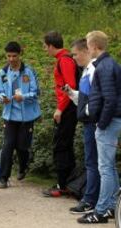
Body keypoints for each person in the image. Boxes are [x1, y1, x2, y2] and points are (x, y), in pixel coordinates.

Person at [77, 31, 121, 224]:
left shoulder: (104, 67)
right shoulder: (106, 65)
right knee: (109, 167)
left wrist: (101, 123)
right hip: (111, 120)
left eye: (88, 45)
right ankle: (113, 206)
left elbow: (110, 100)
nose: (86, 48)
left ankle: (101, 211)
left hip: (109, 122)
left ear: (95, 46)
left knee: (105, 167)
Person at [0, 41, 41, 188]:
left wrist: (24, 97)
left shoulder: (29, 71)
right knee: (8, 145)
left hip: (26, 116)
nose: (11, 59)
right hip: (9, 116)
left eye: (14, 56)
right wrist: (3, 98)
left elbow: (36, 92)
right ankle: (3, 178)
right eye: (8, 56)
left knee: (22, 146)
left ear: (20, 55)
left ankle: (23, 167)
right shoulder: (2, 72)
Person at [64, 38, 100, 214]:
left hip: (93, 123)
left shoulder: (93, 70)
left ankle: (90, 200)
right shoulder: (86, 71)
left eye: (76, 54)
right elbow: (85, 98)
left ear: (86, 51)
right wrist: (72, 94)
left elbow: (96, 99)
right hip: (89, 122)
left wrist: (87, 112)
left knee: (93, 163)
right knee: (94, 162)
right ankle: (97, 199)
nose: (74, 58)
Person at [42, 31, 78, 197]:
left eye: (45, 46)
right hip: (69, 107)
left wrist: (60, 109)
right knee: (65, 145)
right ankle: (68, 183)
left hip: (68, 108)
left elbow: (69, 86)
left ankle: (62, 185)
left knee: (61, 146)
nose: (44, 50)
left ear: (51, 45)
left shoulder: (64, 60)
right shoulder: (66, 58)